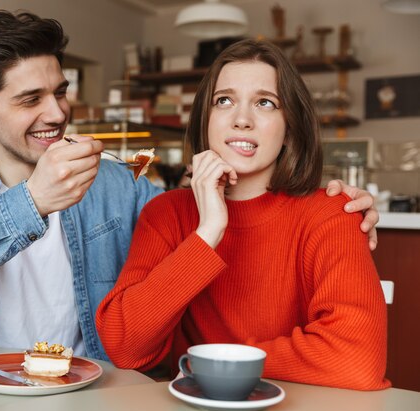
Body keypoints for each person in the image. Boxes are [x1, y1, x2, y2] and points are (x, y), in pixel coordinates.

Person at [0, 11, 378, 361]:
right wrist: (30, 204)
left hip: (93, 389)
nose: (57, 113)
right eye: (31, 100)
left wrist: (317, 196)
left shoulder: (119, 183)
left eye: (60, 92)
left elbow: (199, 229)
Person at [96, 39, 389, 390]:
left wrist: (209, 363)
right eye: (224, 100)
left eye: (265, 102)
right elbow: (125, 346)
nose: (242, 120)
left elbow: (357, 360)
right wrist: (208, 232)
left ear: (289, 128)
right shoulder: (166, 213)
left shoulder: (331, 213)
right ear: (206, 119)